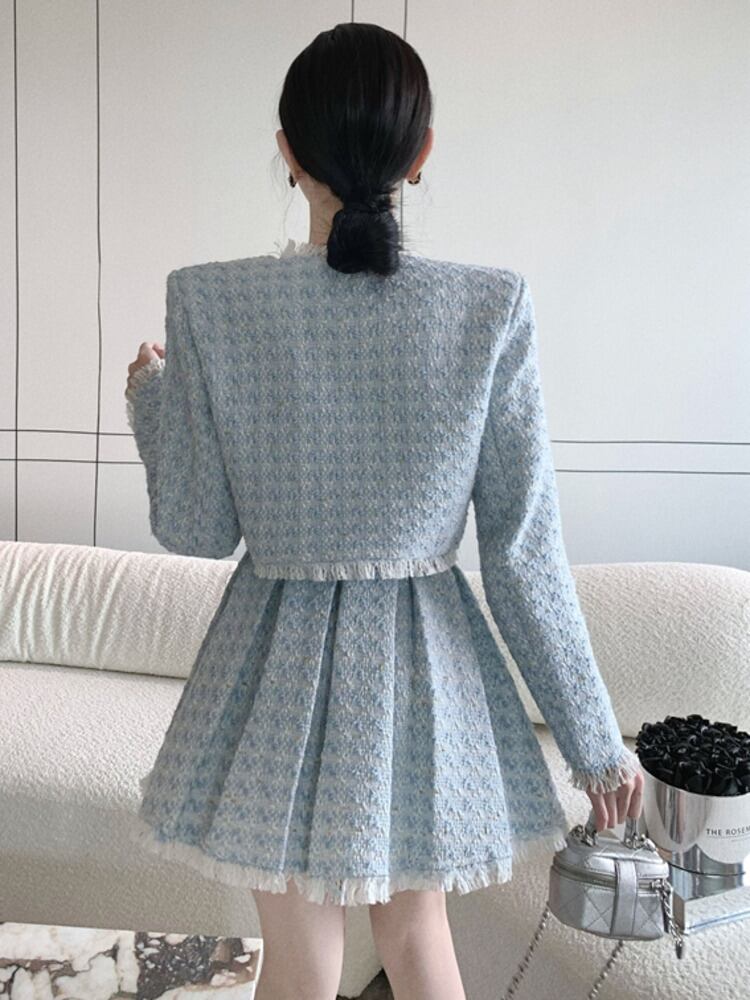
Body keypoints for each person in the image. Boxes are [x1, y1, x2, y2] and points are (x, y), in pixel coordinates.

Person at [124, 21, 644, 1000]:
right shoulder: (489, 307)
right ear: (421, 153)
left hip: (268, 674)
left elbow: (196, 529)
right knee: (416, 938)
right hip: (425, 676)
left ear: (287, 151)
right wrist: (596, 747)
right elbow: (522, 554)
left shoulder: (211, 303)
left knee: (301, 963)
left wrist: (151, 402)